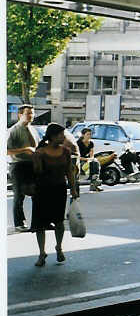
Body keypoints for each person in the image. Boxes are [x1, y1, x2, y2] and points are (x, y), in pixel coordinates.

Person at [31, 123, 79, 266]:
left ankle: (59, 247)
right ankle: (41, 253)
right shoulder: (40, 152)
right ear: (53, 136)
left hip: (59, 190)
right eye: (61, 135)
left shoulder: (65, 151)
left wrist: (73, 188)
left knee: (59, 222)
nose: (64, 137)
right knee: (40, 223)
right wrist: (36, 159)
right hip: (42, 191)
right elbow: (36, 172)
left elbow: (69, 171)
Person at [6, 104, 39, 232]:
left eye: (32, 113)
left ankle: (38, 221)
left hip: (32, 165)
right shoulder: (13, 130)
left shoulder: (33, 130)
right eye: (28, 113)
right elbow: (6, 151)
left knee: (37, 193)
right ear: (20, 115)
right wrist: (25, 149)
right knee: (19, 196)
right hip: (18, 165)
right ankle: (19, 223)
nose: (31, 116)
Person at [76, 128, 103, 192]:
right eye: (88, 134)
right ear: (83, 135)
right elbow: (77, 156)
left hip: (87, 160)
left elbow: (91, 154)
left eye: (90, 134)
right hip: (79, 161)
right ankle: (93, 184)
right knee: (91, 165)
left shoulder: (91, 143)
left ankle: (94, 184)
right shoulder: (78, 143)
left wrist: (91, 159)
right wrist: (86, 159)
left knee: (95, 163)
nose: (89, 136)